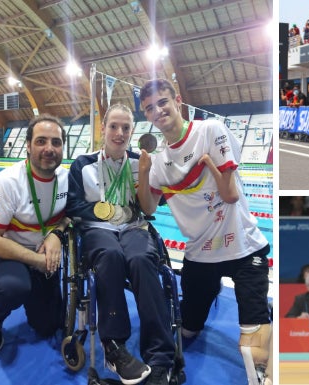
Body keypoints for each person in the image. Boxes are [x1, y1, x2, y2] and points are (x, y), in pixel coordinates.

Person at [137, 78, 272, 385]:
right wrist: (144, 175)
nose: (158, 111)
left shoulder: (210, 131)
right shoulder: (159, 164)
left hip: (243, 247)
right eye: (149, 108)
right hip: (200, 255)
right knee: (188, 330)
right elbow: (147, 208)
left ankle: (264, 369)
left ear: (178, 101)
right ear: (146, 116)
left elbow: (230, 194)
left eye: (162, 102)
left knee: (253, 347)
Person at [66, 104, 176, 385]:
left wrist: (150, 174)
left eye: (126, 128)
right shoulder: (83, 163)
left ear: (132, 131)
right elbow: (74, 204)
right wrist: (107, 212)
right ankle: (114, 346)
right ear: (104, 128)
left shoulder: (139, 162)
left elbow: (155, 203)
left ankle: (160, 356)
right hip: (98, 230)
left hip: (133, 228)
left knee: (142, 260)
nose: (119, 133)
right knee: (111, 255)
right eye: (114, 126)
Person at [0, 114, 71, 354]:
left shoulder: (67, 179)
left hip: (42, 254)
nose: (49, 149)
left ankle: (35, 292)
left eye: (56, 142)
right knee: (14, 288)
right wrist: (37, 261)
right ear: (28, 145)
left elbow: (71, 216)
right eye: (41, 141)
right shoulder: (6, 183)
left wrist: (56, 234)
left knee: (48, 327)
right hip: (5, 253)